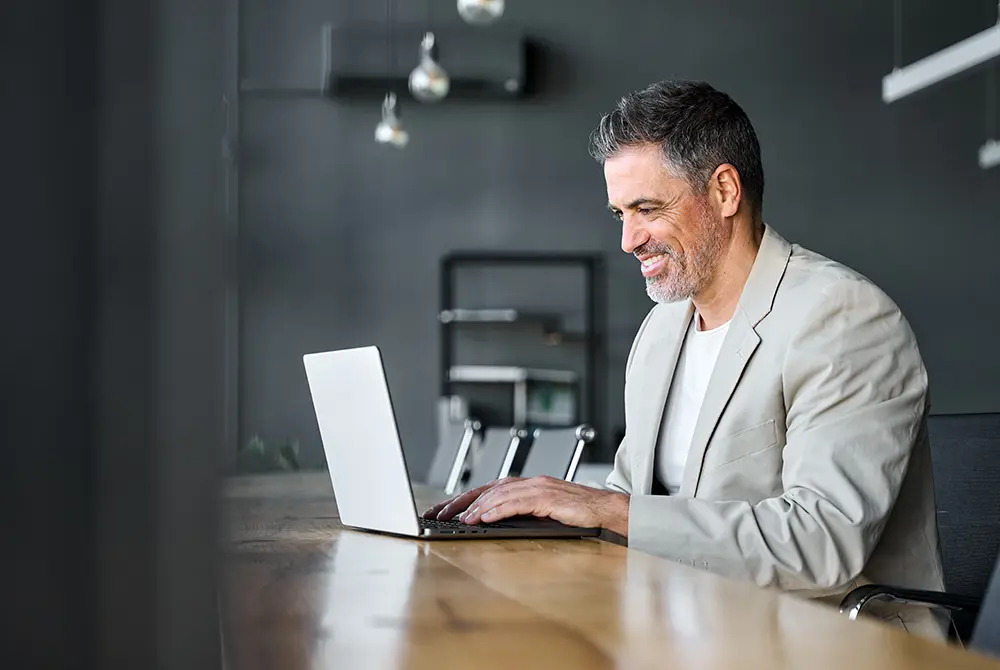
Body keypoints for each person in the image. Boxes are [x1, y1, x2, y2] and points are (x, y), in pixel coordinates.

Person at [423, 80, 945, 637]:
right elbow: (632, 500)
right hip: (690, 627)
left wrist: (607, 511)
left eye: (647, 208)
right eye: (620, 213)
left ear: (724, 191)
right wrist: (536, 514)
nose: (628, 240)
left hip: (826, 641)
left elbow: (821, 542)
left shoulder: (843, 318)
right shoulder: (662, 330)